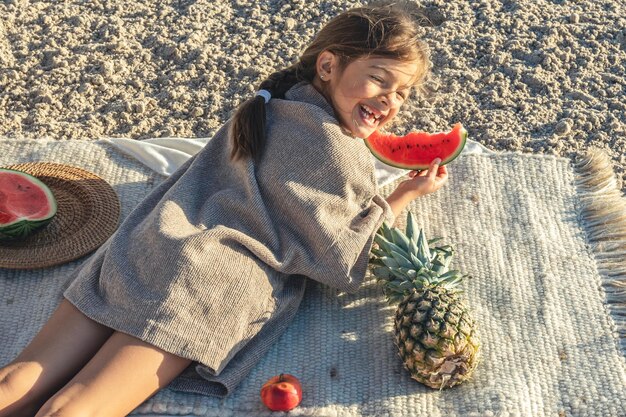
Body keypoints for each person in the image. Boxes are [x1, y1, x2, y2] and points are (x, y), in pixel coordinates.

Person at [0, 3, 448, 416]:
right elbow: (339, 255)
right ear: (329, 65)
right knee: (76, 406)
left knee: (18, 379)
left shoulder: (267, 103)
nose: (390, 101)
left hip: (152, 244)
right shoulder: (334, 149)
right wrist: (400, 198)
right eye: (379, 80)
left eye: (403, 92)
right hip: (206, 285)